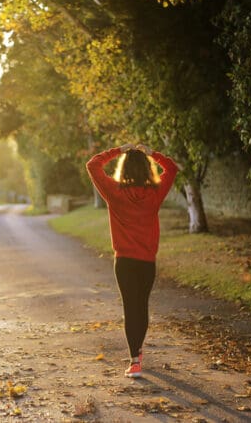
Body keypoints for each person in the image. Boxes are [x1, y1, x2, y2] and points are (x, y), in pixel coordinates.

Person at [86, 143, 179, 378]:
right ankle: (138, 351)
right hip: (147, 262)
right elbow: (172, 168)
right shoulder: (155, 193)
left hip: (124, 262)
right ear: (147, 169)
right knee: (142, 306)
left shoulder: (114, 192)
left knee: (131, 308)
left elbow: (93, 164)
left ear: (124, 169)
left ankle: (135, 360)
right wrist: (152, 153)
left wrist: (118, 150)